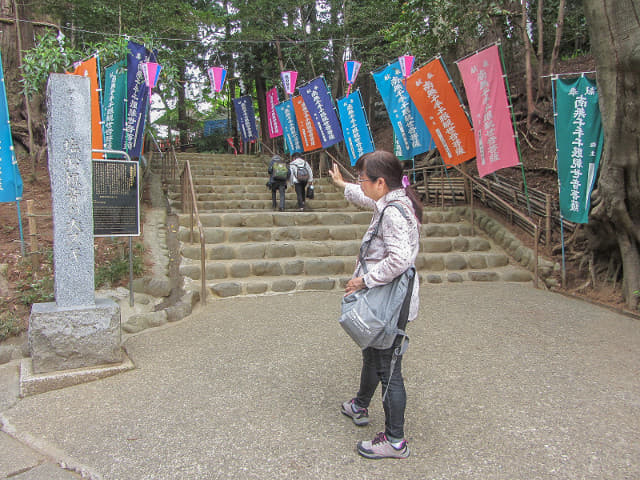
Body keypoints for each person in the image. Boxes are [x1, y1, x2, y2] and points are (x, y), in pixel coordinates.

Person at [328, 150, 422, 460]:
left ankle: (395, 440)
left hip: (390, 303)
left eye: (363, 179)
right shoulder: (392, 199)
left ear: (381, 182)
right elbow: (368, 199)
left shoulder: (393, 213)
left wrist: (363, 281)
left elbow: (400, 258)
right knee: (371, 350)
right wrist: (343, 185)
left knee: (389, 367)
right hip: (385, 299)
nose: (361, 184)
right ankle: (360, 404)